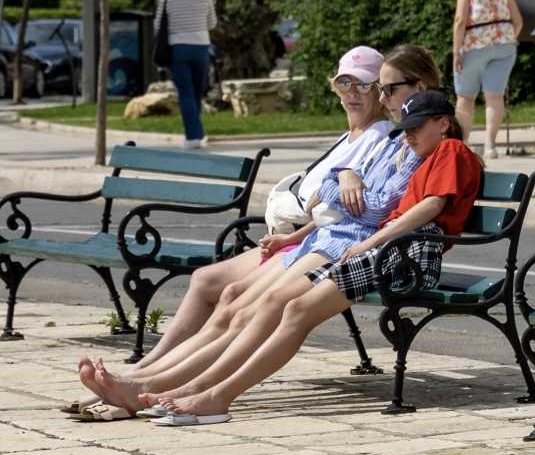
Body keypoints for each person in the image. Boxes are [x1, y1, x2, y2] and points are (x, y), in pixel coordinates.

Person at [80, 44, 440, 412]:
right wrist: (344, 179)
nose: (380, 97)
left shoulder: (413, 142)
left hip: (349, 245)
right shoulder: (397, 140)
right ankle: (149, 379)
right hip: (325, 237)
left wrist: (341, 191)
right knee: (236, 304)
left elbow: (370, 209)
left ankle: (165, 388)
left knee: (258, 304)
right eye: (371, 87)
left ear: (422, 88)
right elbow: (332, 193)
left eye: (385, 88)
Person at [130, 90, 481, 425]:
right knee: (291, 308)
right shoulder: (421, 153)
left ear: (443, 123)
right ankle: (205, 390)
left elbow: (430, 207)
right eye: (406, 129)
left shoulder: (450, 149)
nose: (409, 136)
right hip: (390, 248)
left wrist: (373, 240)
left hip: (407, 252)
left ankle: (214, 395)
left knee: (295, 310)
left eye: (418, 128)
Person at [135, 44, 392, 369]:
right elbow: (323, 198)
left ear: (379, 90)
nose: (353, 93)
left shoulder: (380, 137)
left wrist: (334, 191)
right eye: (345, 83)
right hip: (302, 238)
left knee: (237, 298)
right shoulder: (351, 135)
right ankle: (155, 365)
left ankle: (171, 375)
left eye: (364, 84)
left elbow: (347, 209)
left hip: (323, 242)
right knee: (205, 280)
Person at [452, 0, 523, 162]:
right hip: (505, 43)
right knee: (494, 96)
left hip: (475, 42)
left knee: (465, 97)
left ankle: (461, 145)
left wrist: (456, 51)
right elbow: (517, 19)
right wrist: (509, 37)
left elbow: (460, 19)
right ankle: (490, 146)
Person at [154, 0, 218, 146]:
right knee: (197, 92)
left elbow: (158, 25)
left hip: (178, 49)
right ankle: (196, 133)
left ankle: (193, 136)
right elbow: (212, 23)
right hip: (201, 47)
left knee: (185, 92)